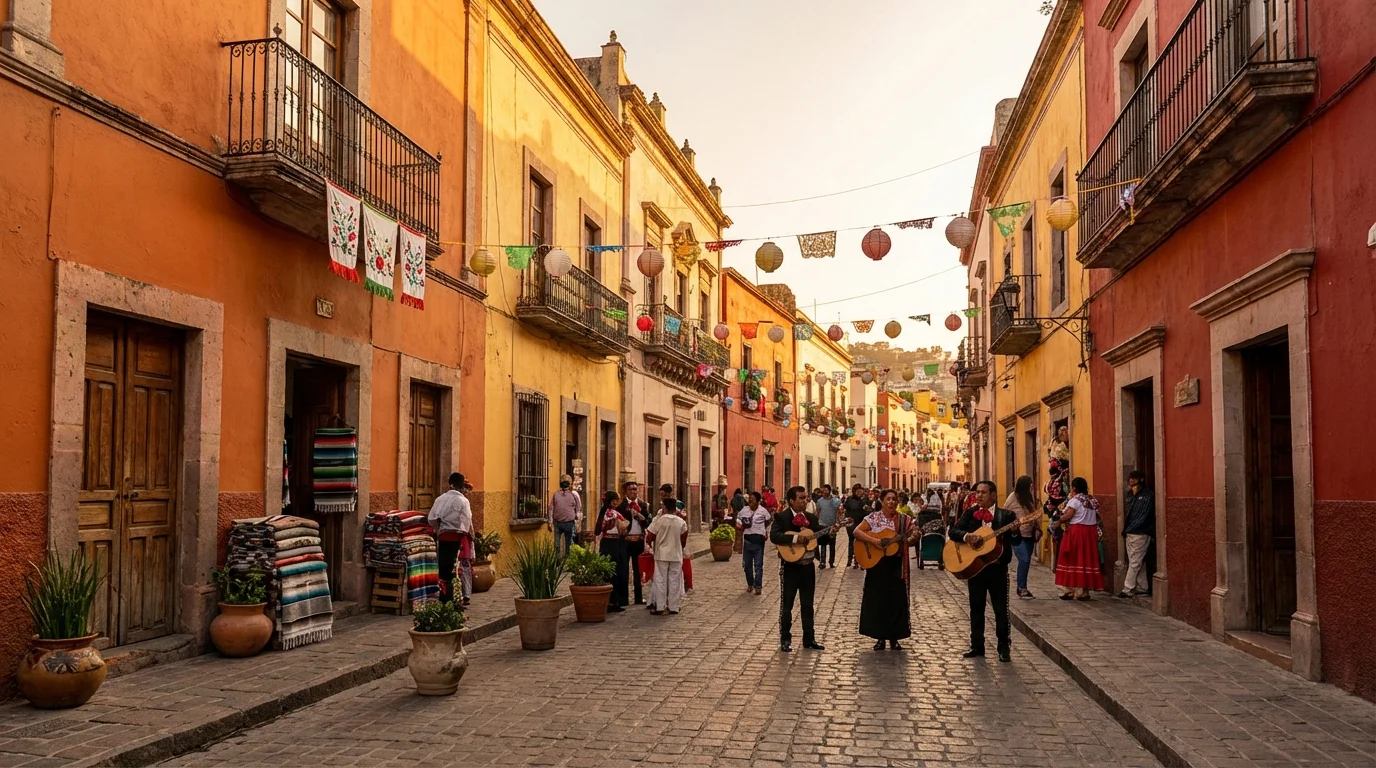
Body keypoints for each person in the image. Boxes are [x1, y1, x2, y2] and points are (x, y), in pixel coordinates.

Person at [949, 480, 1016, 662]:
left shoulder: (1006, 516)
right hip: (976, 569)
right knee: (976, 608)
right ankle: (977, 645)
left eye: (983, 493)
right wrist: (967, 536)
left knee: (1001, 609)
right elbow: (953, 531)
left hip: (997, 569)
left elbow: (1015, 542)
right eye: (977, 492)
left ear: (993, 495)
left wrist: (1016, 532)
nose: (978, 496)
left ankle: (1004, 647)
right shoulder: (971, 513)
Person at [852, 488, 915, 650]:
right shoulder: (873, 518)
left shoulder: (903, 520)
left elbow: (913, 533)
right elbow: (857, 531)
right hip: (877, 565)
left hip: (895, 564)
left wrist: (915, 536)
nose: (892, 502)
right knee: (877, 600)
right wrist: (874, 541)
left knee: (895, 601)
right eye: (888, 499)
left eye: (894, 499)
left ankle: (895, 637)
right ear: (881, 501)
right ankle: (879, 637)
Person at [771, 486, 825, 652]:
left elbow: (818, 538)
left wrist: (830, 533)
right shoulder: (782, 517)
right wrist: (795, 538)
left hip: (808, 567)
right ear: (791, 501)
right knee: (787, 605)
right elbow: (775, 536)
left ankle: (809, 638)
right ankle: (785, 639)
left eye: (806, 498)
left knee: (808, 605)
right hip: (790, 568)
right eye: (801, 498)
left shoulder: (811, 518)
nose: (805, 501)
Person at [1053, 476, 1105, 600]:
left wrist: (1059, 521)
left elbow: (1069, 514)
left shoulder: (1075, 500)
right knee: (1085, 559)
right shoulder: (1092, 500)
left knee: (1069, 558)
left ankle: (1067, 590)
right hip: (1090, 533)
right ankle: (1082, 591)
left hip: (1076, 532)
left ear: (1074, 488)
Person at [428, 472, 474, 606]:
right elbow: (466, 520)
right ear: (461, 485)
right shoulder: (464, 501)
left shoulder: (440, 499)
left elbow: (431, 518)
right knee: (455, 569)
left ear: (450, 484)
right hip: (457, 539)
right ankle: (455, 599)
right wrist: (461, 532)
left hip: (442, 537)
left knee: (442, 569)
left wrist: (439, 527)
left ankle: (444, 598)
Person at [645, 497, 689, 615]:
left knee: (660, 580)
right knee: (674, 580)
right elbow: (683, 539)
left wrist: (650, 546)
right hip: (676, 554)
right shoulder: (681, 522)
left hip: (661, 554)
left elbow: (650, 535)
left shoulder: (660, 520)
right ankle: (673, 606)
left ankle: (660, 606)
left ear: (664, 507)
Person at [1120, 470, 1156, 598]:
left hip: (1141, 531)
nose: (1131, 481)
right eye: (1130, 478)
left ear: (1140, 479)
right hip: (1130, 532)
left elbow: (1143, 515)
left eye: (1134, 478)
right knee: (1137, 560)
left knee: (1135, 560)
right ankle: (1142, 587)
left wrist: (1131, 527)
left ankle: (1128, 588)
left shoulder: (1148, 495)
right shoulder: (1130, 495)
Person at [1005, 475, 1041, 599]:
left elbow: (1033, 513)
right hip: (1018, 535)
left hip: (1029, 534)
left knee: (1026, 562)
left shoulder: (1029, 498)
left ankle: (1023, 586)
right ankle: (1021, 588)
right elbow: (1005, 512)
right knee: (1024, 559)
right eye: (1030, 485)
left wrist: (1037, 526)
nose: (1032, 487)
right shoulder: (1013, 497)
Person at [596, 490, 629, 612]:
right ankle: (615, 601)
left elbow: (598, 531)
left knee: (607, 573)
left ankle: (608, 600)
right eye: (617, 500)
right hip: (616, 545)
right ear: (613, 502)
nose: (618, 502)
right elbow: (623, 530)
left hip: (605, 544)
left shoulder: (602, 513)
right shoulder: (616, 514)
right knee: (617, 573)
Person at [619, 482, 650, 606]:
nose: (633, 492)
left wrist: (640, 517)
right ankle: (624, 599)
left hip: (639, 541)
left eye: (635, 490)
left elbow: (648, 522)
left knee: (638, 570)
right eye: (630, 490)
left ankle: (638, 598)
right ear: (625, 492)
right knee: (624, 570)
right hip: (626, 541)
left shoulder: (643, 504)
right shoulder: (621, 506)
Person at [737, 491, 770, 595]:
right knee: (747, 565)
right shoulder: (744, 510)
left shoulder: (763, 511)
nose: (750, 501)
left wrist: (765, 531)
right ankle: (750, 583)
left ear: (758, 501)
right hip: (747, 541)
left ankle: (758, 586)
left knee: (758, 565)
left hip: (758, 541)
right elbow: (738, 518)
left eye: (752, 499)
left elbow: (768, 520)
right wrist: (740, 524)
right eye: (749, 499)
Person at [549, 475, 582, 559]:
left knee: (569, 544)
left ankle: (568, 561)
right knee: (557, 544)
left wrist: (577, 523)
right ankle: (557, 560)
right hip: (558, 523)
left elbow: (578, 509)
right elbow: (551, 507)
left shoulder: (574, 494)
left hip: (569, 523)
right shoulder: (556, 494)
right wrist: (550, 522)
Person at [843, 484, 871, 569]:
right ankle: (850, 559)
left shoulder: (865, 500)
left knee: (861, 542)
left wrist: (867, 509)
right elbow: (846, 510)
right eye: (857, 491)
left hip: (861, 523)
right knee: (852, 541)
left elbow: (868, 513)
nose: (859, 493)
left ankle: (859, 560)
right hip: (851, 523)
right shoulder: (849, 499)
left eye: (861, 491)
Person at [814, 484, 842, 569]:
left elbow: (837, 512)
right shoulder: (819, 501)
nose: (824, 492)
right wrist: (816, 523)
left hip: (832, 525)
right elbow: (818, 512)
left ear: (829, 491)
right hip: (822, 524)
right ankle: (822, 562)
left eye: (826, 490)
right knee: (823, 544)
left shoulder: (835, 501)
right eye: (823, 490)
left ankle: (831, 562)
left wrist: (837, 522)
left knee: (832, 544)